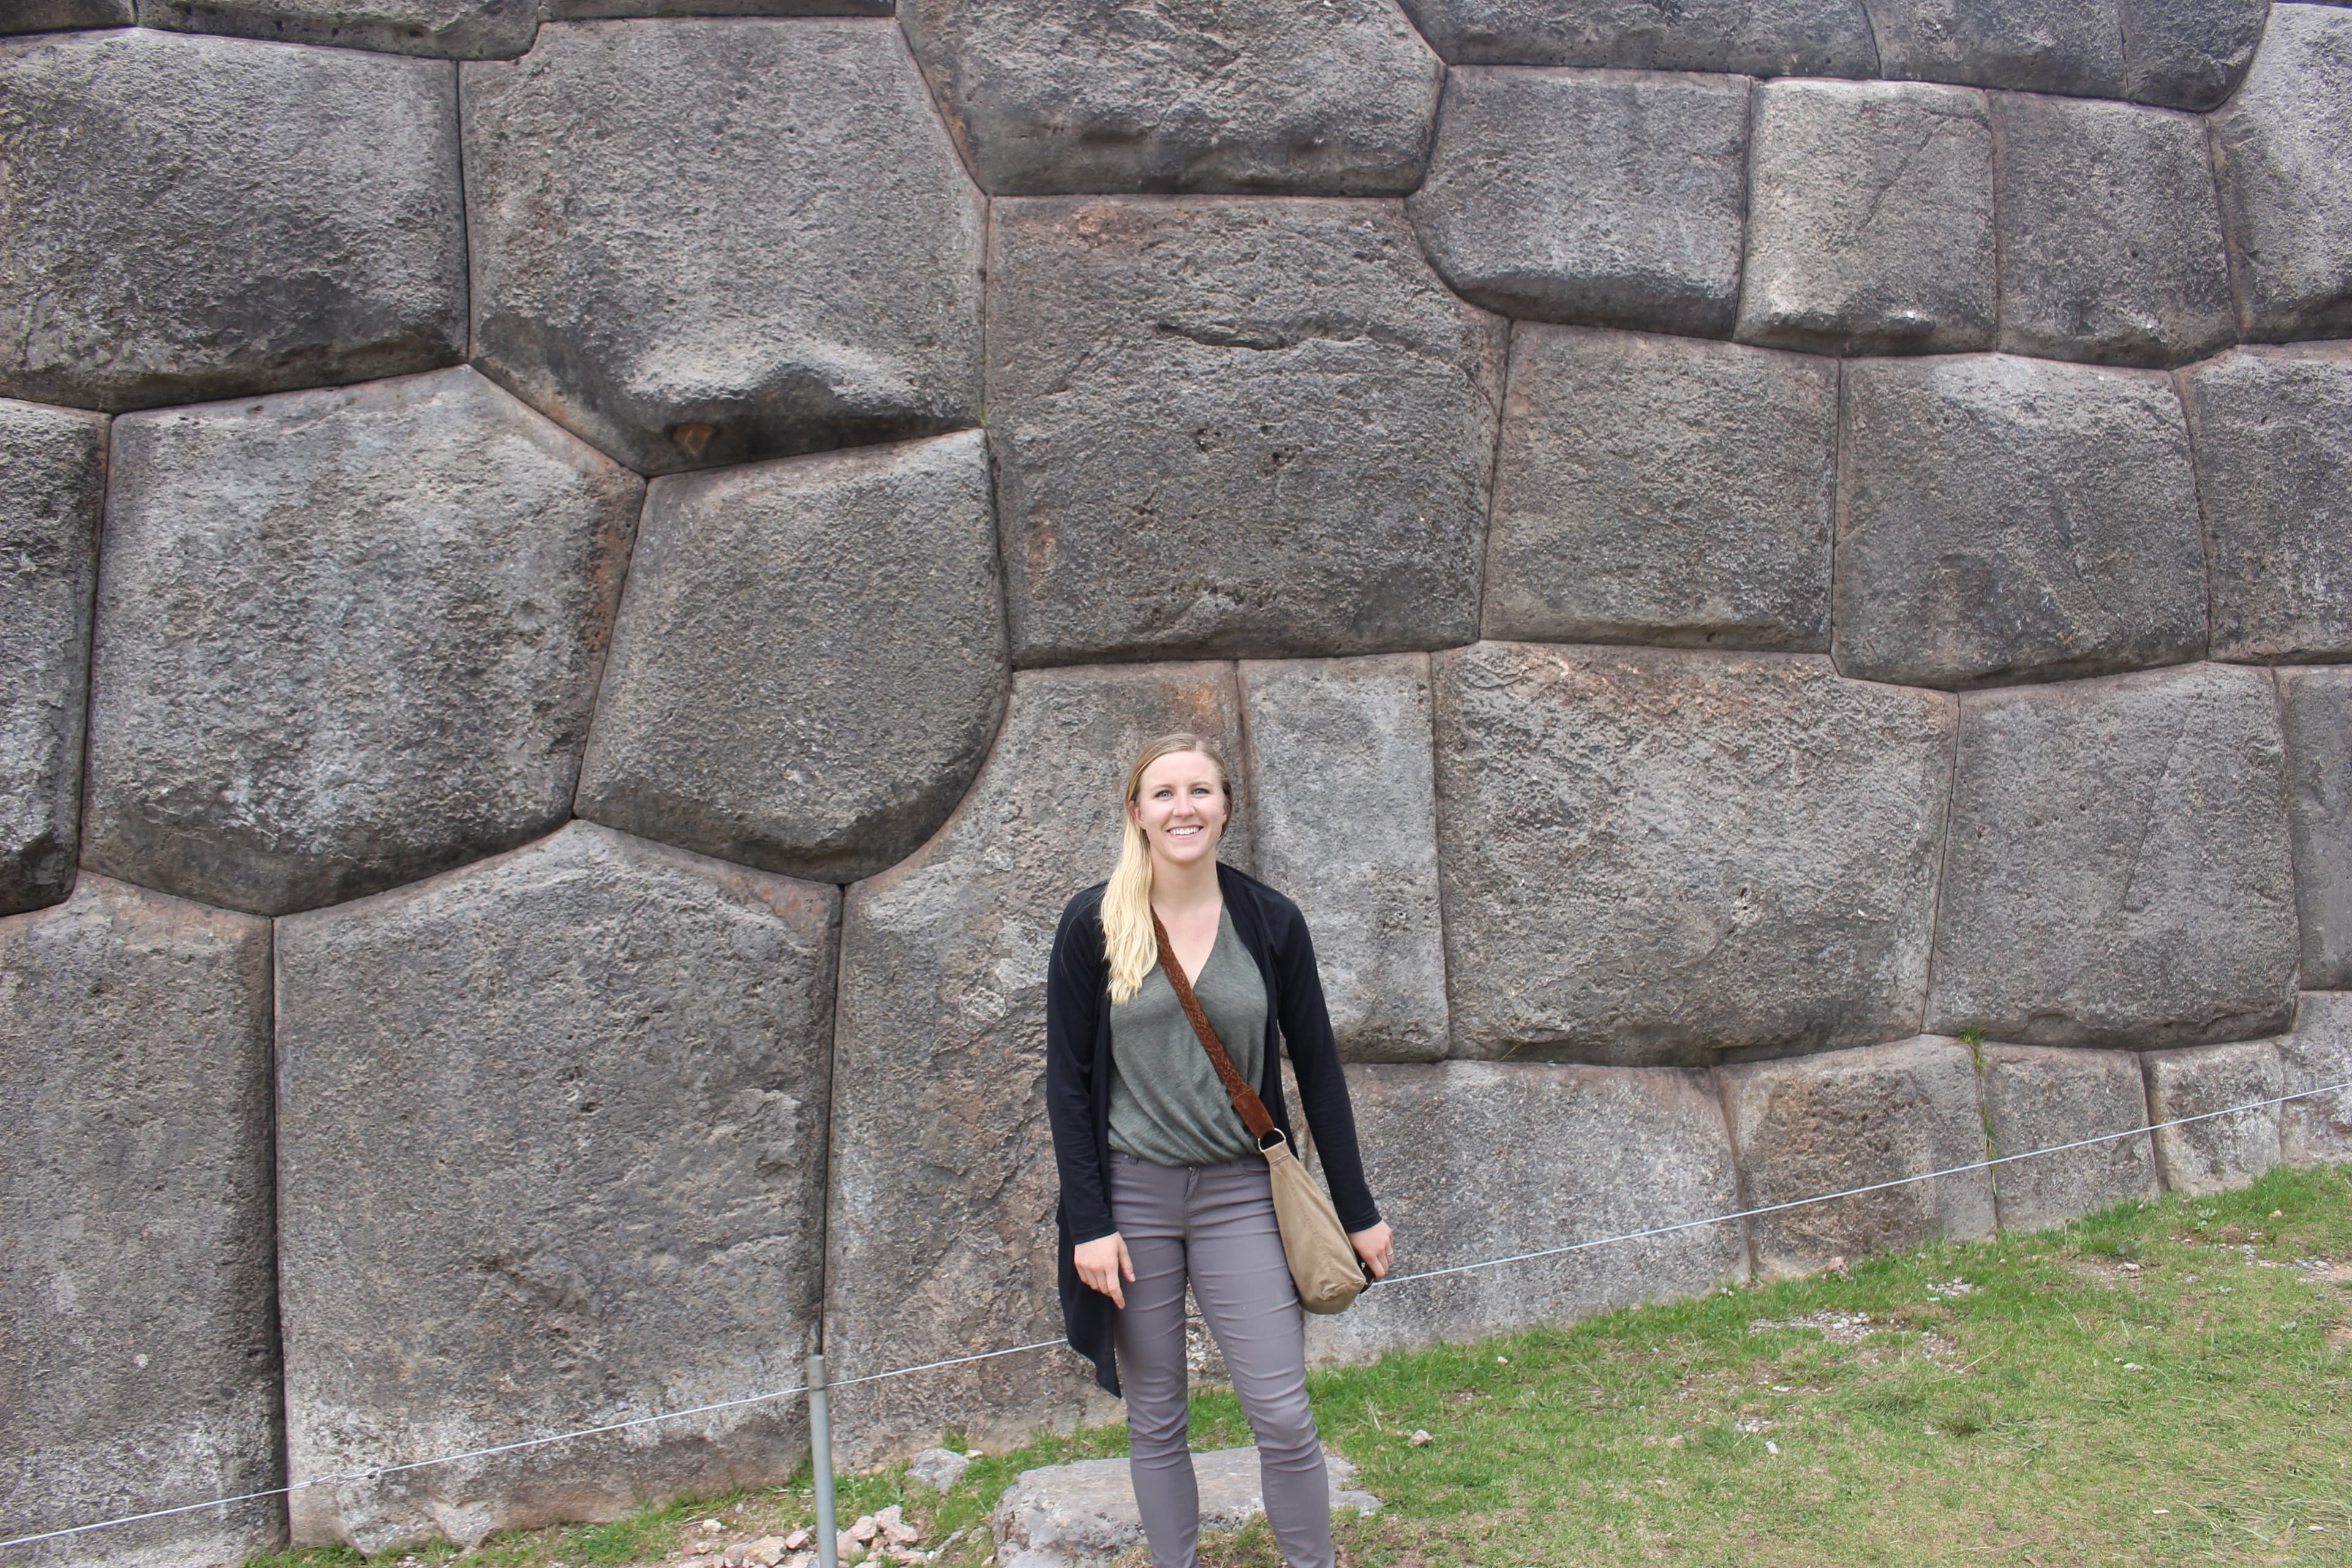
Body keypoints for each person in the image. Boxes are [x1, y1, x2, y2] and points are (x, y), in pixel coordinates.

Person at [1044, 731, 1395, 1568]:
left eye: (1199, 792)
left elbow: (1318, 1072)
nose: (1183, 809)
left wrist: (1360, 1213)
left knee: (1280, 1411)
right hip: (1134, 1200)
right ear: (1137, 812)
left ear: (1227, 807)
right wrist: (1091, 1222)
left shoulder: (1270, 922)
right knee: (1158, 1412)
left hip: (1243, 1194)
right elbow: (1066, 1081)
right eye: (1164, 794)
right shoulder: (1093, 925)